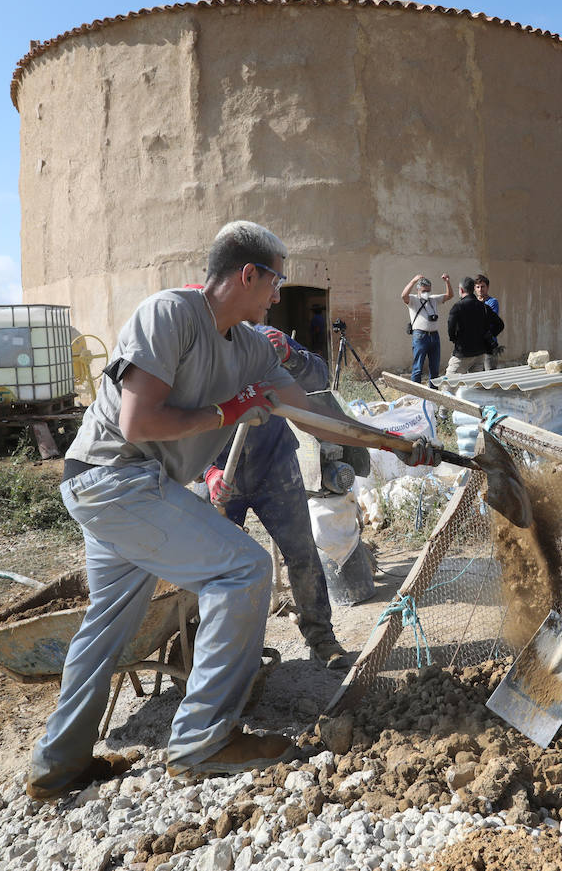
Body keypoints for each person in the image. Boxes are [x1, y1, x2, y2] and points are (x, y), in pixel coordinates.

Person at [25, 220, 441, 799]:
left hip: (133, 488)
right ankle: (201, 741)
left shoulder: (248, 346)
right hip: (112, 478)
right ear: (248, 274)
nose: (278, 295)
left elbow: (319, 415)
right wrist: (228, 412)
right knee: (244, 569)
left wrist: (396, 442)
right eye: (275, 282)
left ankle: (56, 765)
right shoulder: (168, 315)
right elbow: (137, 421)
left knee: (106, 628)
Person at [202, 323, 354, 671]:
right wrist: (208, 473)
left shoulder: (264, 337)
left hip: (275, 464)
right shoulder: (197, 348)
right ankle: (222, 651)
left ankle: (320, 637)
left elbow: (319, 379)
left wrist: (290, 356)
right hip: (221, 471)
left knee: (301, 552)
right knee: (215, 566)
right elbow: (178, 422)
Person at [445, 276, 505, 375]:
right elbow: (500, 325)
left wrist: (456, 340)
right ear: (474, 289)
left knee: (447, 385)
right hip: (480, 353)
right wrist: (487, 336)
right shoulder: (484, 306)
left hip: (463, 353)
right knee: (476, 385)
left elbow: (450, 329)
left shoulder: (458, 307)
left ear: (461, 290)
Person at [401, 273, 452, 383]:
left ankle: (432, 393)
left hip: (434, 336)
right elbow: (404, 296)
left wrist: (447, 281)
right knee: (418, 368)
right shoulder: (413, 300)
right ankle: (415, 395)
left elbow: (449, 296)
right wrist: (413, 281)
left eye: (428, 291)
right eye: (424, 291)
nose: (426, 293)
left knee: (434, 369)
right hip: (420, 336)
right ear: (418, 290)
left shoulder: (433, 299)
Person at [474, 273, 502, 370]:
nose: (480, 289)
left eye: (483, 287)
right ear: (474, 288)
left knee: (490, 375)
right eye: (478, 287)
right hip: (475, 346)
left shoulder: (492, 302)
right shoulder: (472, 302)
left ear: (487, 287)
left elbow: (489, 321)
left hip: (489, 345)